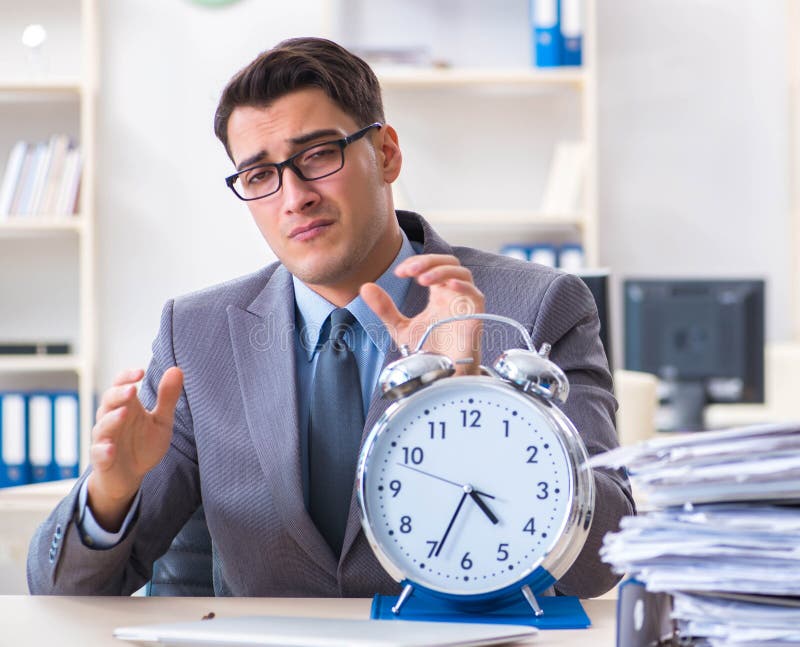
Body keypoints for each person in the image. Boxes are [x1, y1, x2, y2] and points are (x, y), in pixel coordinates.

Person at [28, 37, 634, 598]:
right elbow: (65, 593)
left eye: (317, 155)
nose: (294, 197)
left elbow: (600, 561)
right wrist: (111, 492)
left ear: (387, 153)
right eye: (260, 175)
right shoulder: (198, 334)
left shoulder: (537, 304)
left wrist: (462, 395)